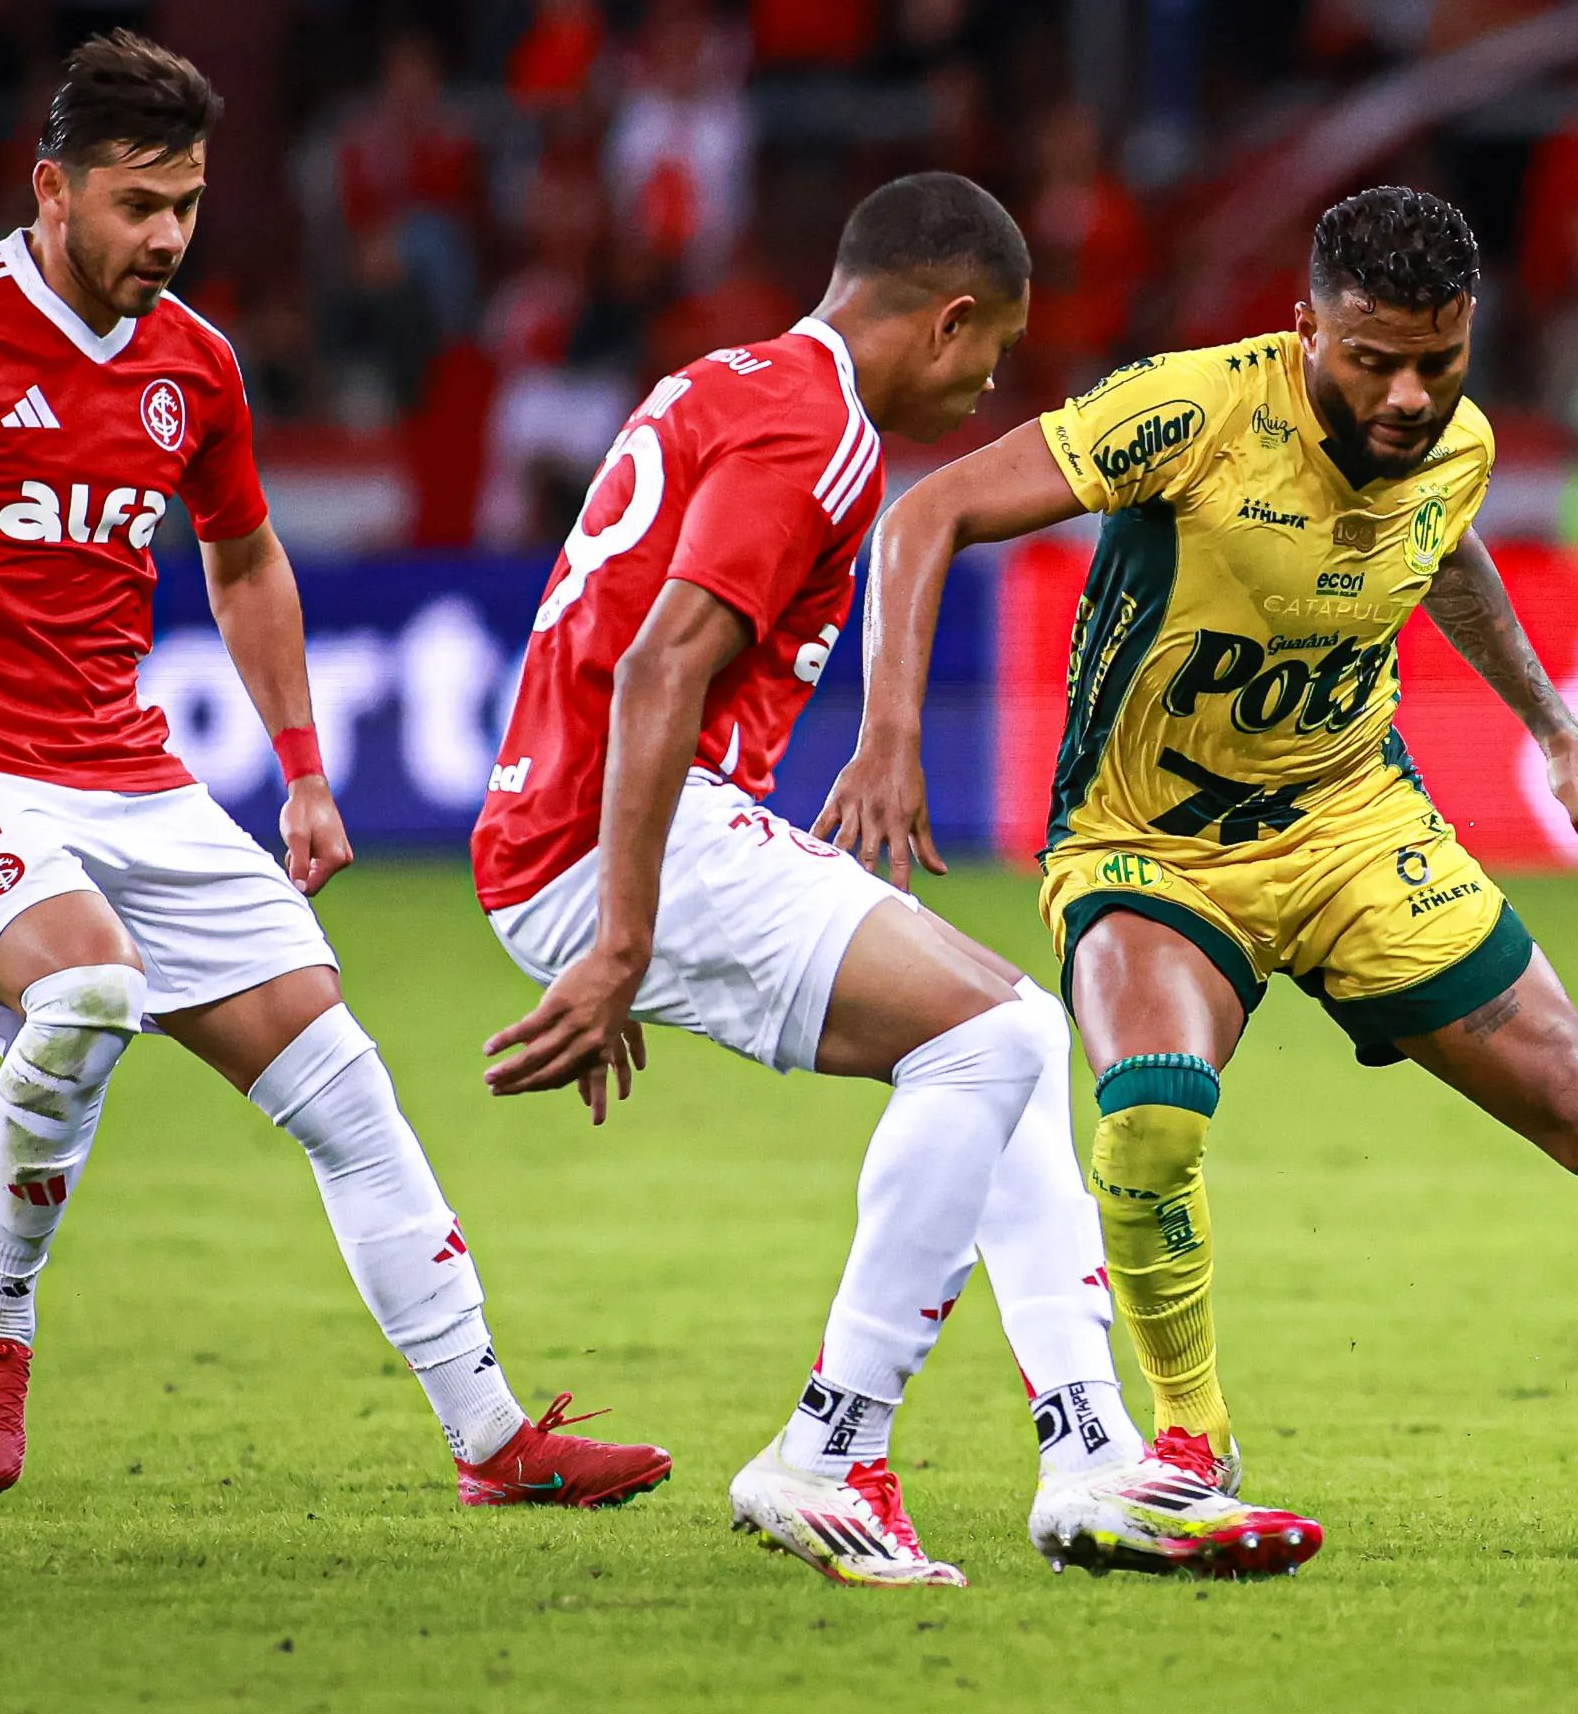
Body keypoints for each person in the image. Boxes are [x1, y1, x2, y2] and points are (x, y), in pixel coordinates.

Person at [819, 185, 1578, 1548]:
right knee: (1154, 1117)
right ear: (1310, 329)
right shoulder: (1188, 410)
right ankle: (1189, 1438)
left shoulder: (1449, 445)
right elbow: (922, 513)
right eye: (1375, 359)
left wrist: (1553, 724)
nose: (1410, 395)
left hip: (1352, 828)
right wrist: (889, 737)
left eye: (1439, 360)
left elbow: (1447, 549)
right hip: (1152, 845)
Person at [0, 32, 669, 1513]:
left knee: (349, 1090)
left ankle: (491, 1440)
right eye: (138, 204)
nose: (166, 237)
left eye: (189, 205)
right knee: (87, 993)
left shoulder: (194, 365)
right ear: (52, 190)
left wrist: (302, 772)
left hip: (138, 778)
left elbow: (244, 553)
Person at [470, 171, 1322, 1586]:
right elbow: (660, 665)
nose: (987, 394)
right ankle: (829, 1448)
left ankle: (1092, 1450)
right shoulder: (812, 427)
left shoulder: (733, 383)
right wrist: (620, 936)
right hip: (615, 831)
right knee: (986, 1038)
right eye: (990, 360)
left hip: (605, 826)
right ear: (951, 317)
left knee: (1011, 1039)